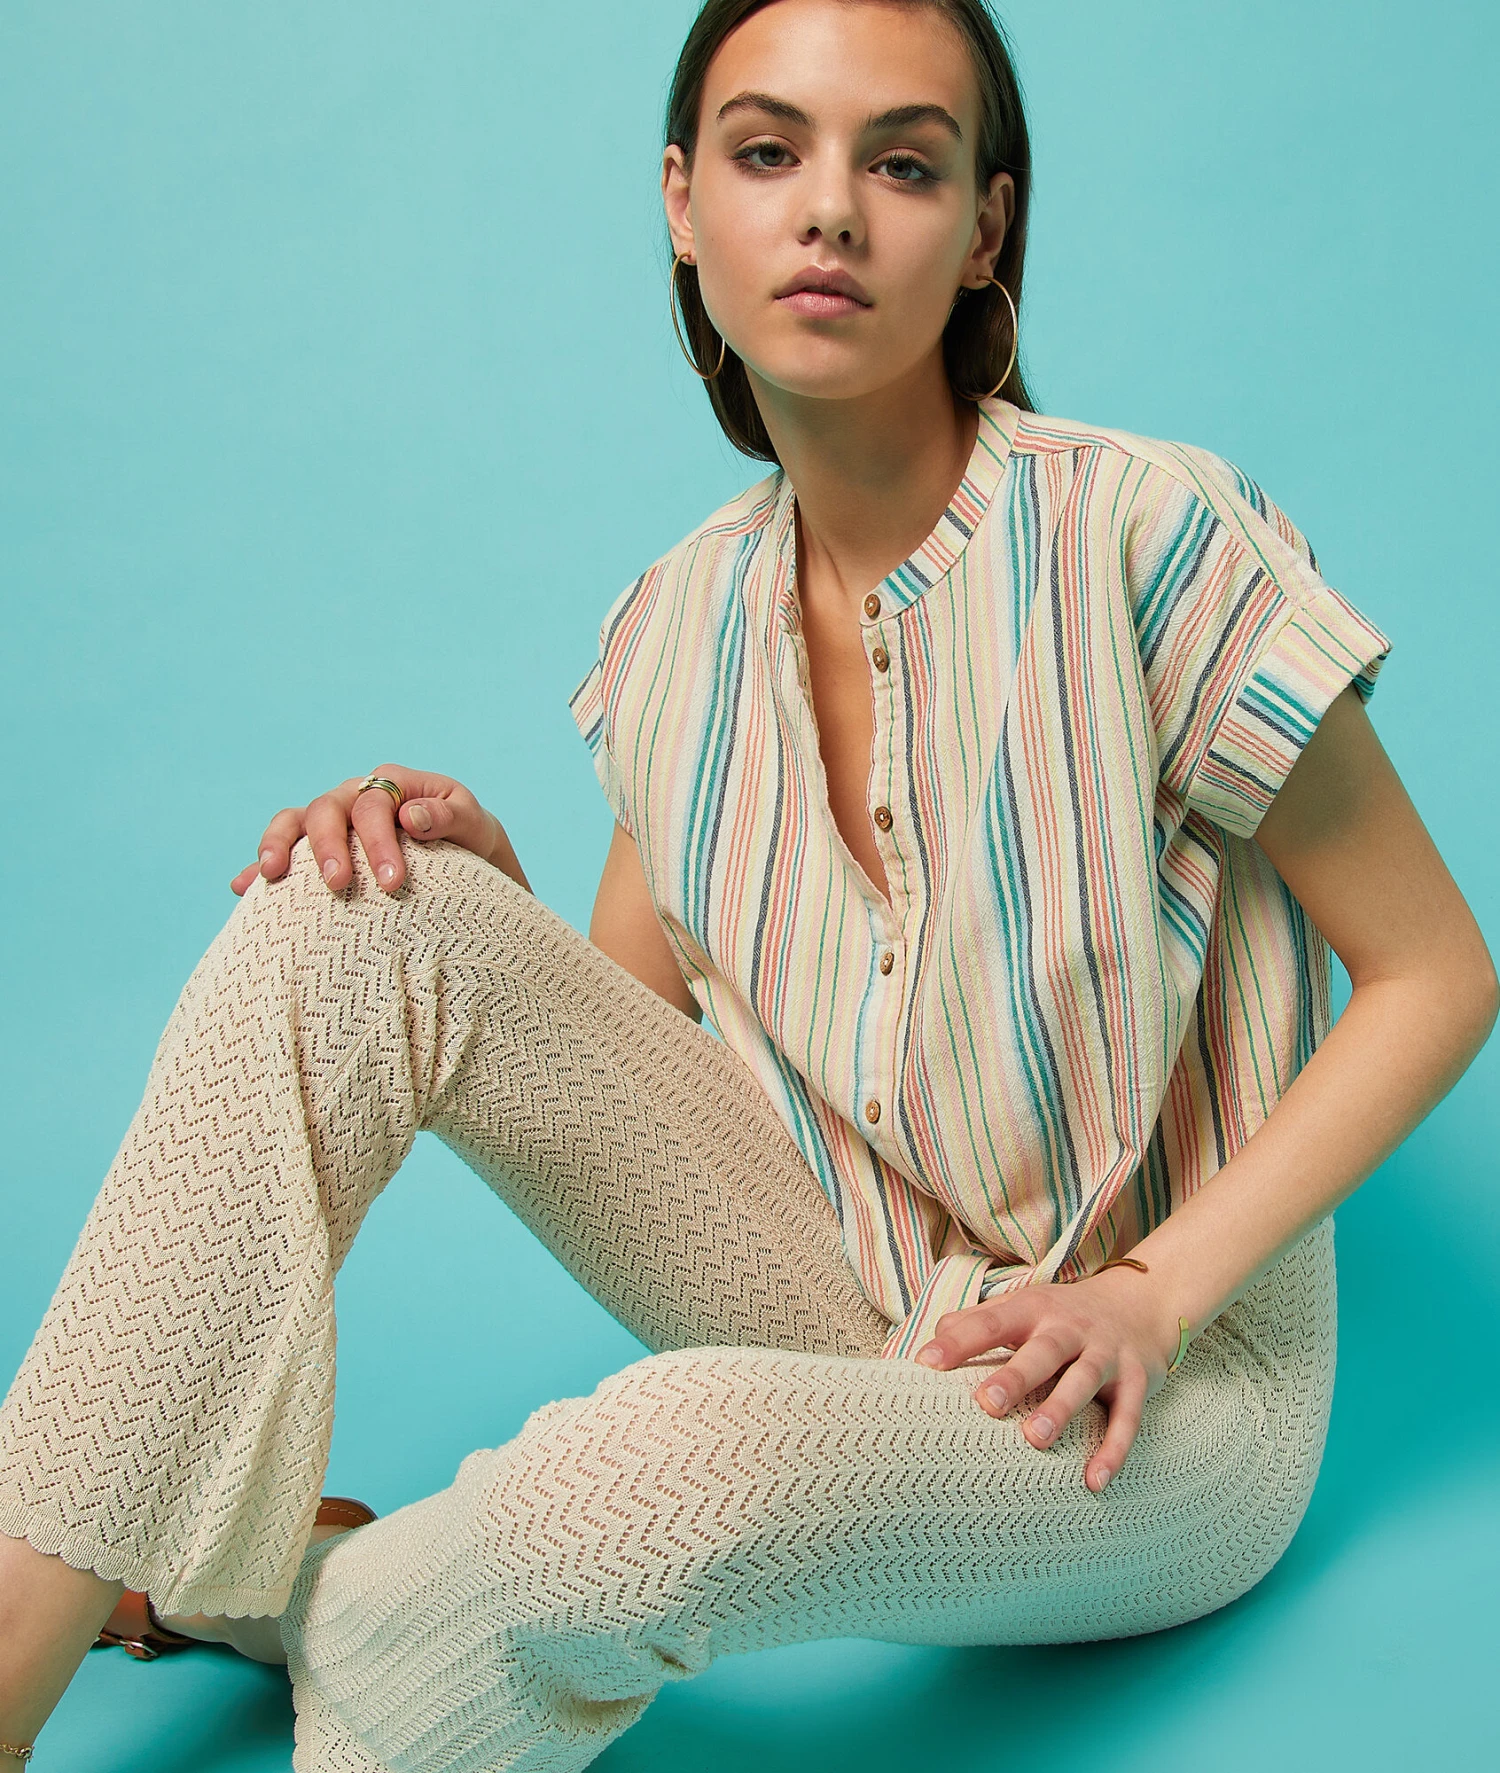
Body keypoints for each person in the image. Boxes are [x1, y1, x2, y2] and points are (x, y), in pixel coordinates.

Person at [1, 0, 1495, 1767]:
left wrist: (1153, 1294)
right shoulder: (673, 631)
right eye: (769, 151)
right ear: (684, 204)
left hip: (1144, 1395)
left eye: (904, 165)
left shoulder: (1144, 532)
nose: (831, 210)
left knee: (654, 1474)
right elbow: (637, 1060)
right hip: (844, 1293)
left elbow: (1439, 974)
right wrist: (467, 920)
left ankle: (278, 1587)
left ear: (985, 229)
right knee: (353, 911)